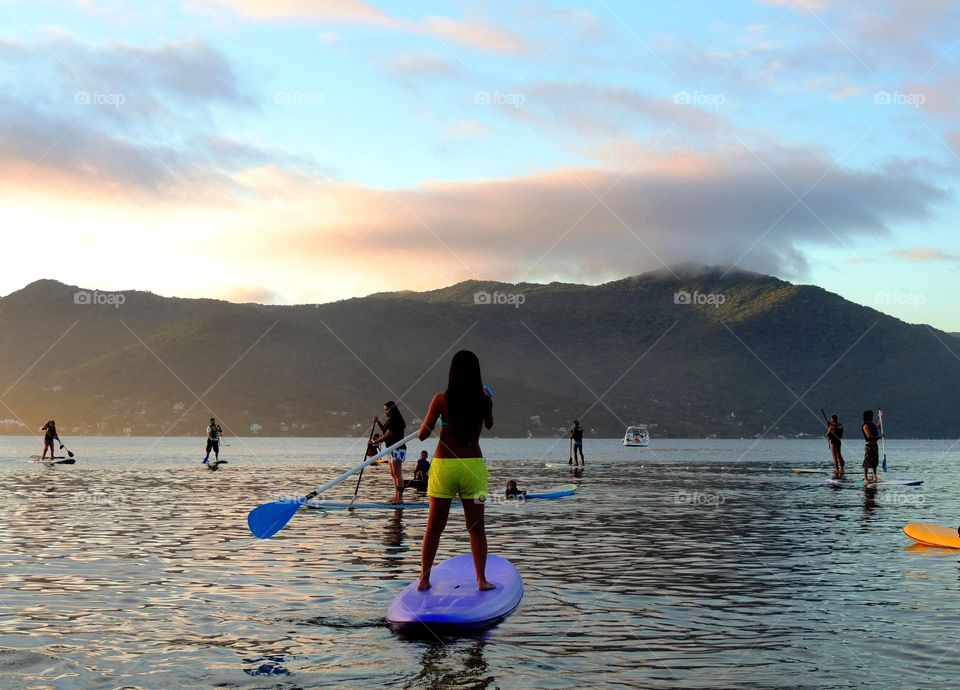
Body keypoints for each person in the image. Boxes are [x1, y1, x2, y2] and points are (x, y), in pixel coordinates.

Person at [417, 349, 495, 592]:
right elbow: (489, 424)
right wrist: (487, 401)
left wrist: (437, 421)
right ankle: (481, 580)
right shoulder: (484, 400)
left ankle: (424, 580)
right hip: (473, 468)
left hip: (444, 467)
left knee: (434, 527)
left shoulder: (440, 400)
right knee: (476, 528)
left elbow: (422, 435)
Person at [373, 401, 407, 504]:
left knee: (397, 473)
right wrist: (378, 422)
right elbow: (384, 431)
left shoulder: (395, 420)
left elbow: (387, 436)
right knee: (393, 473)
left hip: (398, 449)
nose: (385, 412)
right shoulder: (390, 420)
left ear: (392, 409)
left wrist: (374, 442)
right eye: (384, 410)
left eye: (387, 409)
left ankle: (400, 498)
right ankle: (396, 496)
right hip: (391, 449)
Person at [861, 410, 883, 483]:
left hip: (874, 445)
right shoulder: (865, 425)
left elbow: (878, 426)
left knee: (875, 461)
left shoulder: (872, 424)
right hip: (869, 445)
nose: (872, 417)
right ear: (868, 416)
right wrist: (879, 437)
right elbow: (869, 436)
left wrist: (880, 417)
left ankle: (874, 476)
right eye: (871, 415)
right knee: (867, 461)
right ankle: (865, 477)